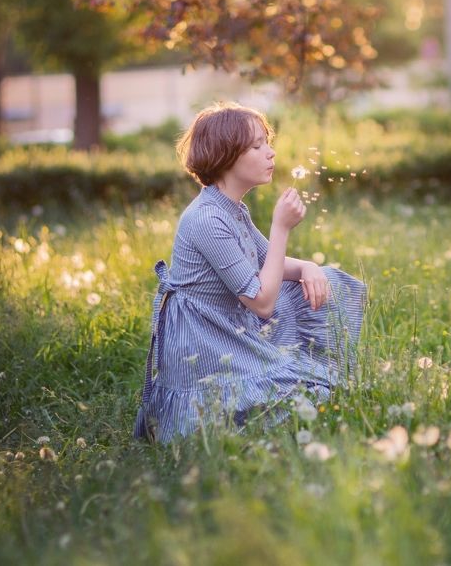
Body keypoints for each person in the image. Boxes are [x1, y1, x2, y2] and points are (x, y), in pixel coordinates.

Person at [133, 102, 366, 443]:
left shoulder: (232, 209)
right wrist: (281, 228)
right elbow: (261, 302)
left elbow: (266, 262)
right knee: (301, 401)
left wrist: (309, 267)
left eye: (266, 143)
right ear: (226, 156)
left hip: (231, 326)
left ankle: (316, 372)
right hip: (207, 343)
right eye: (257, 146)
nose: (270, 153)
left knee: (327, 280)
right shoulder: (207, 219)